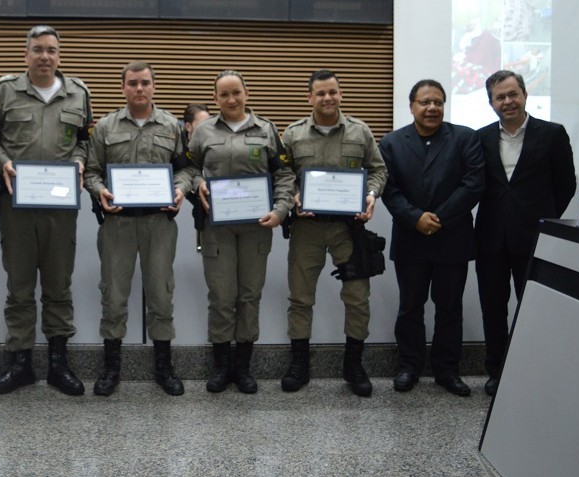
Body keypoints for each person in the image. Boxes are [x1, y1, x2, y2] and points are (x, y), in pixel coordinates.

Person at [0, 25, 92, 396]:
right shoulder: (4, 91)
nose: (45, 56)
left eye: (52, 50)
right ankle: (20, 364)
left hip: (60, 209)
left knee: (59, 285)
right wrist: (3, 163)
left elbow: (83, 143)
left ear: (60, 55)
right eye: (38, 49)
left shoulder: (79, 92)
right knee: (20, 286)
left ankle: (59, 365)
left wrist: (78, 162)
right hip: (18, 206)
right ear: (26, 53)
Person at [83, 61, 196, 397]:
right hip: (117, 224)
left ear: (154, 86)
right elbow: (91, 171)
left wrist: (181, 189)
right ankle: (110, 368)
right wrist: (98, 190)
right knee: (114, 295)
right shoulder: (105, 127)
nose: (139, 89)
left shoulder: (173, 127)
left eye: (145, 82)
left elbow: (187, 169)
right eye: (132, 83)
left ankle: (164, 367)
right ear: (123, 88)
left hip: (158, 224)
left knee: (161, 293)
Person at [279, 70, 387, 397]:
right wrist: (294, 195)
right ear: (309, 98)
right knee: (300, 298)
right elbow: (282, 173)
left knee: (357, 298)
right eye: (321, 93)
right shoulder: (293, 135)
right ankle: (300, 364)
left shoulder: (360, 131)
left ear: (341, 94)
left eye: (333, 92)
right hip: (306, 229)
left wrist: (370, 195)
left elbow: (378, 171)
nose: (328, 98)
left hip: (348, 230)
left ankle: (353, 365)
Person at [189, 70, 295, 394]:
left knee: (249, 295)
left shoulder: (266, 129)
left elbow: (285, 173)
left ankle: (244, 368)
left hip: (256, 227)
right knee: (221, 296)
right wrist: (197, 182)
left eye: (237, 92)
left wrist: (280, 211)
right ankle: (222, 368)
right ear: (215, 97)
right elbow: (187, 167)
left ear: (247, 92)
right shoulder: (203, 131)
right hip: (216, 227)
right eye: (224, 94)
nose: (231, 99)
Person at [379, 79, 484, 396]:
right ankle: (409, 367)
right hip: (411, 239)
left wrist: (440, 218)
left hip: (452, 238)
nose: (432, 107)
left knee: (449, 308)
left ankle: (447, 370)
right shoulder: (392, 143)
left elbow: (474, 182)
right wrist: (415, 218)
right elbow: (389, 189)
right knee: (410, 307)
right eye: (425, 102)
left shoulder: (465, 138)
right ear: (411, 106)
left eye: (438, 102)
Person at [475, 70, 576, 396]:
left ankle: (532, 369)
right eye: (500, 97)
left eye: (512, 94)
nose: (507, 102)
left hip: (534, 238)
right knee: (493, 308)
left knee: (532, 308)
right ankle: (496, 371)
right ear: (491, 102)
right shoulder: (480, 138)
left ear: (525, 94)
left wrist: (542, 220)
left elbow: (566, 185)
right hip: (490, 238)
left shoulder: (552, 134)